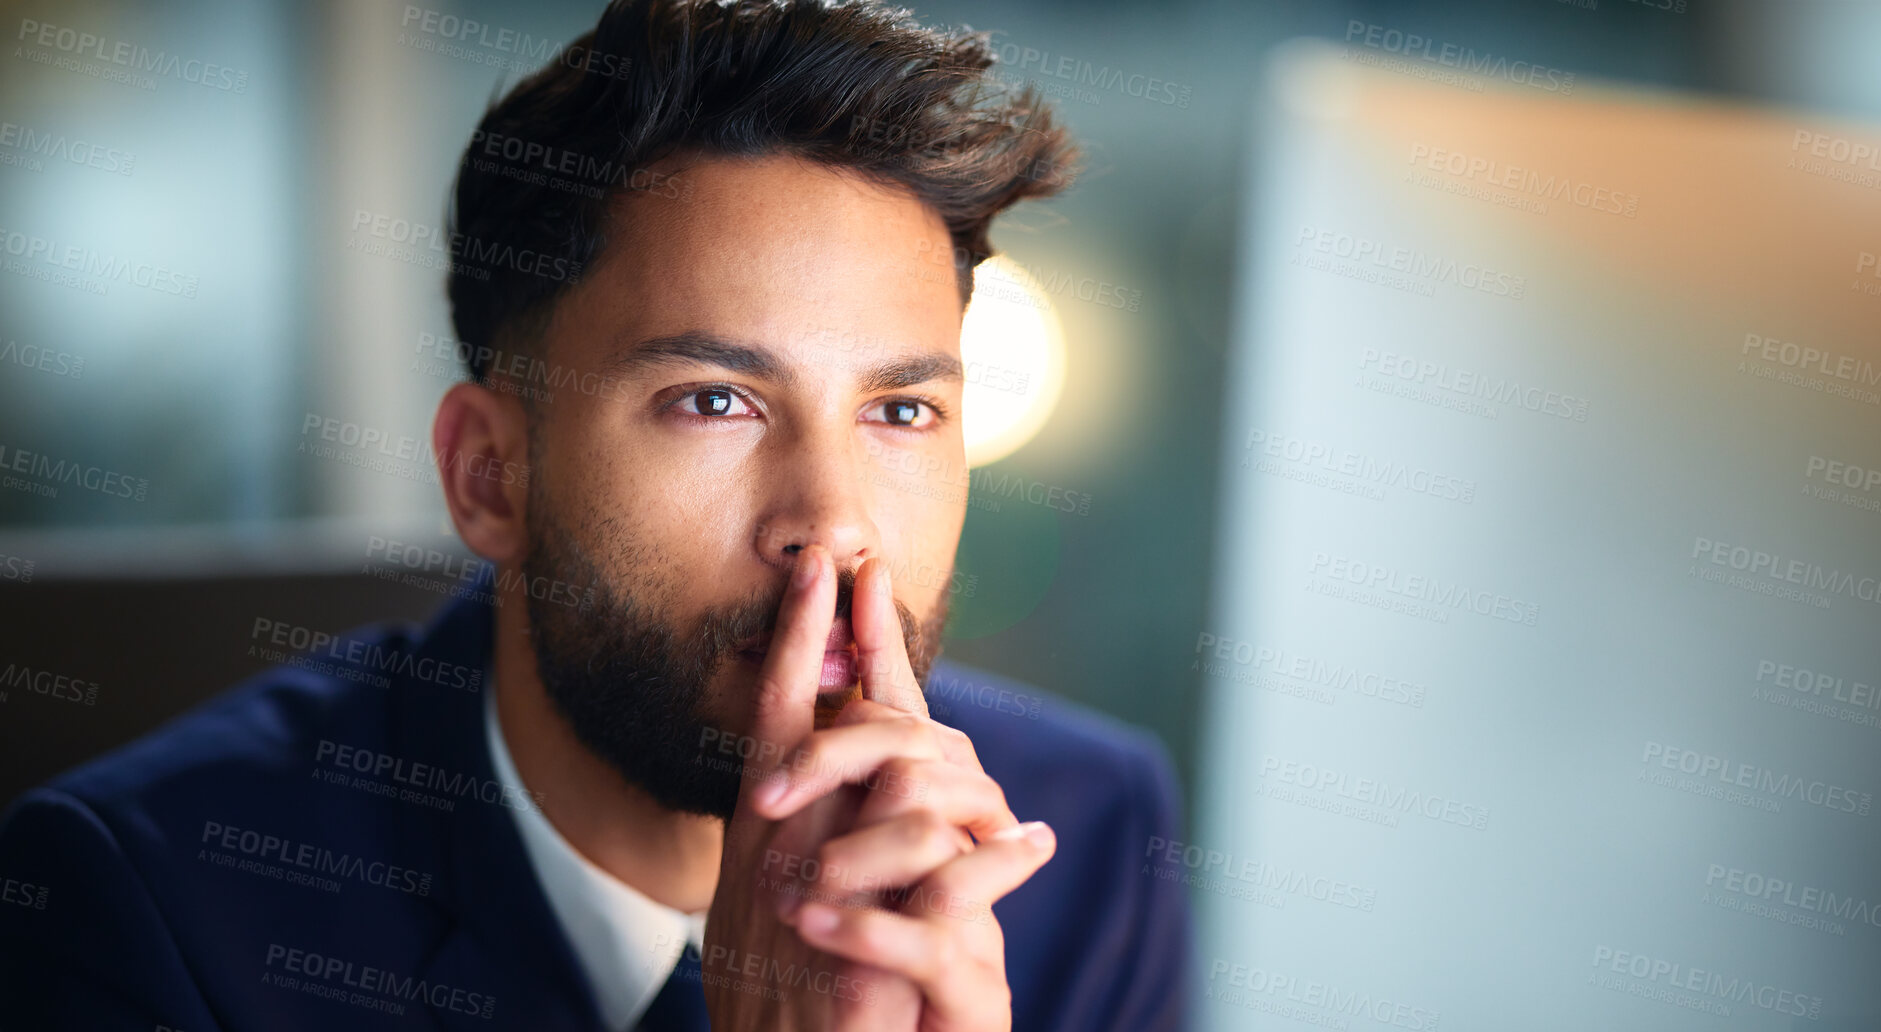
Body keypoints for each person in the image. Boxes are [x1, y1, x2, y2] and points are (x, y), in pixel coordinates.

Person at [0, 1, 1194, 1028]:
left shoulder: (1079, 840)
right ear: (489, 476)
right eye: (715, 400)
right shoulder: (143, 911)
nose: (833, 527)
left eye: (902, 411)